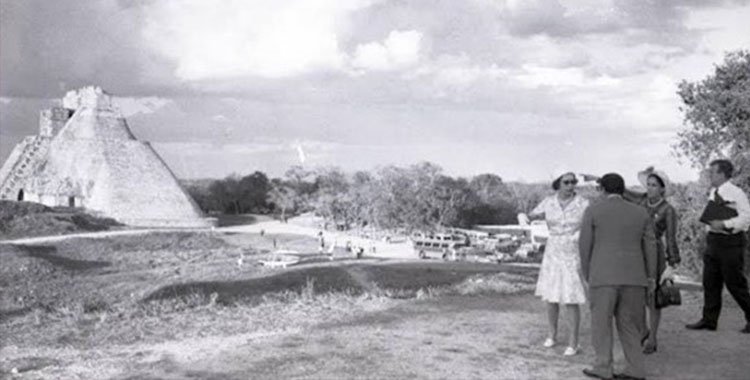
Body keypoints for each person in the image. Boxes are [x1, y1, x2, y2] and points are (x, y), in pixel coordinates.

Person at [579, 173, 658, 380]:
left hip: (602, 275)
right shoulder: (641, 213)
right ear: (623, 190)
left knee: (601, 323)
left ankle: (603, 366)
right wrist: (651, 276)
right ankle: (636, 369)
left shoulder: (593, 211)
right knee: (630, 325)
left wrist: (587, 274)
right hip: (634, 277)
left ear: (603, 189)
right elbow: (651, 246)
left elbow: (584, 246)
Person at [526, 171, 589, 356]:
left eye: (573, 182)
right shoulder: (548, 201)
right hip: (553, 250)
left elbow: (591, 224)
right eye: (566, 182)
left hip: (572, 251)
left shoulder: (584, 204)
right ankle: (552, 335)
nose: (571, 185)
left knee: (571, 297)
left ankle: (573, 342)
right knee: (551, 295)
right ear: (558, 184)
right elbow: (531, 215)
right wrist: (524, 216)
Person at [686, 159, 750, 333]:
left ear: (722, 174)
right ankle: (709, 320)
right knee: (710, 281)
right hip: (713, 241)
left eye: (712, 172)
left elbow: (746, 218)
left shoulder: (737, 193)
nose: (709, 175)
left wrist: (725, 224)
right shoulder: (713, 192)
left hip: (731, 242)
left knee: (735, 283)